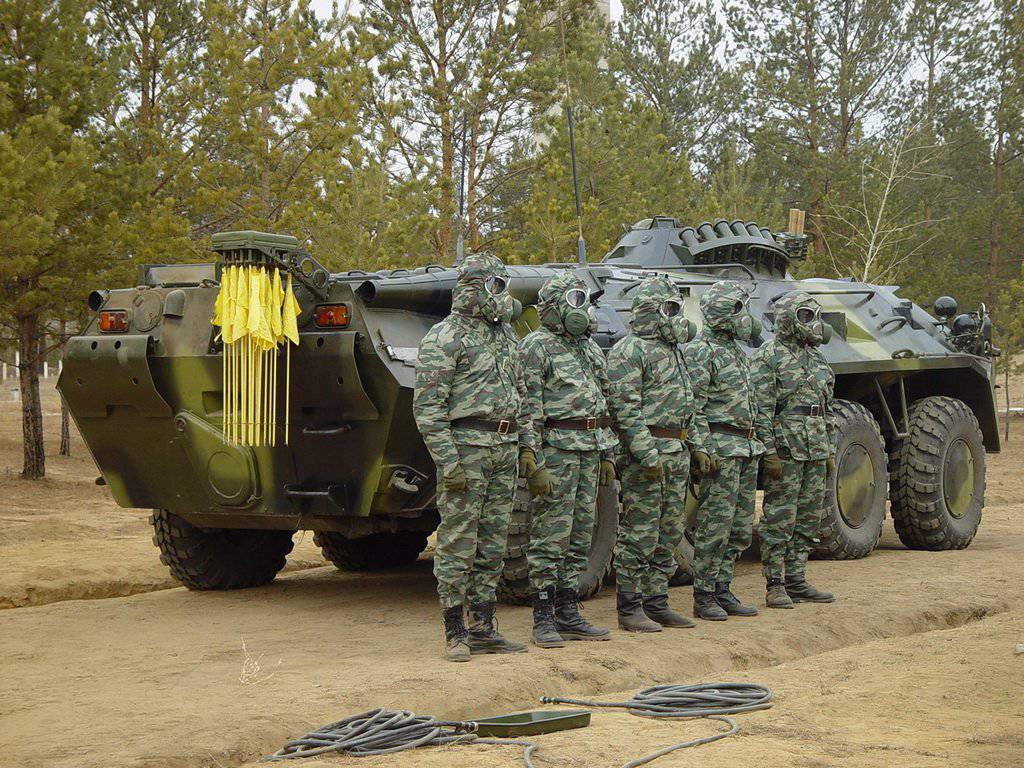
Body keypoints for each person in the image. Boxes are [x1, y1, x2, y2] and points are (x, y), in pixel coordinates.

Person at [413, 253, 528, 662]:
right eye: (496, 286)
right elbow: (428, 407)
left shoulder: (506, 335)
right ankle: (455, 630)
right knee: (459, 541)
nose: (503, 295)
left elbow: (522, 395)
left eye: (504, 286)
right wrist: (449, 462)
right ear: (474, 288)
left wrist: (525, 447)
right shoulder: (445, 337)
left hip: (504, 448)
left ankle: (483, 626)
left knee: (493, 542)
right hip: (467, 451)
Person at [518, 272, 616, 647]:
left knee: (579, 536)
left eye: (583, 300)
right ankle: (543, 618)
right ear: (553, 307)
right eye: (573, 300)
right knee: (549, 537)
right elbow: (528, 409)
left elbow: (603, 404)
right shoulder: (535, 347)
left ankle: (569, 611)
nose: (581, 308)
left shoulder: (589, 349)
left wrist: (607, 454)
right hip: (557, 452)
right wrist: (534, 460)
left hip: (590, 450)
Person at [606, 275, 706, 632]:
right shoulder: (629, 350)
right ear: (651, 310)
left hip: (676, 450)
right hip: (648, 454)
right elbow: (625, 409)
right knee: (640, 530)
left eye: (676, 308)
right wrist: (646, 454)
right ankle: (629, 606)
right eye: (669, 308)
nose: (676, 316)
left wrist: (696, 446)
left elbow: (688, 404)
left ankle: (656, 601)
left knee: (670, 529)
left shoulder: (674, 351)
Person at [686, 279, 777, 621]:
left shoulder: (737, 352)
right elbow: (693, 407)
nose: (745, 317)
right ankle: (704, 594)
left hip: (746, 448)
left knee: (739, 527)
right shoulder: (700, 351)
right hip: (721, 449)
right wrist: (702, 447)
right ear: (721, 313)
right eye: (739, 309)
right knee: (715, 526)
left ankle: (722, 588)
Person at [752, 290, 836, 608]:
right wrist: (770, 452)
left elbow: (826, 409)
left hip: (815, 449)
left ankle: (797, 580)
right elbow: (762, 410)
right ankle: (775, 584)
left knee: (808, 518)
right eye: (805, 316)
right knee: (779, 519)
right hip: (786, 449)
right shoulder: (768, 356)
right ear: (787, 319)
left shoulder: (817, 358)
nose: (813, 323)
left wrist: (828, 449)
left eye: (814, 316)